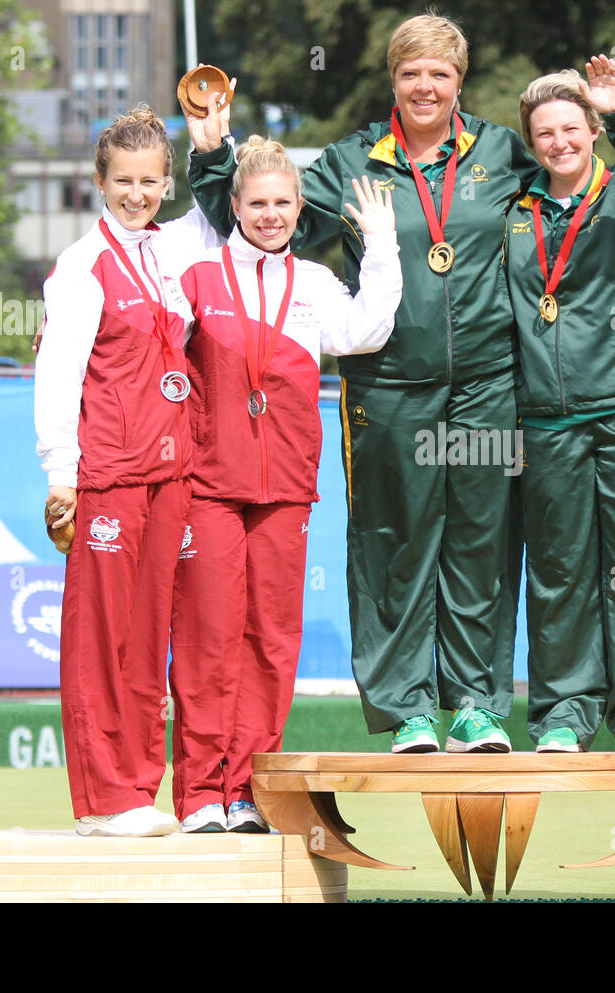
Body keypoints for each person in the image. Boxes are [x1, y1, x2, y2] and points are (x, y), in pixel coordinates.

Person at [188, 15, 537, 753]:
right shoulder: (351, 163)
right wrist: (215, 152)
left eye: (439, 73)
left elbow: (577, 208)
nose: (425, 86)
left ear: (460, 82)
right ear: (392, 79)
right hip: (387, 388)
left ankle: (475, 703)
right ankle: (406, 705)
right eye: (411, 72)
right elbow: (254, 221)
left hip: (484, 383)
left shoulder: (502, 152)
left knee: (480, 542)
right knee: (395, 545)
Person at [169, 129, 401, 833]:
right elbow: (152, 343)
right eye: (258, 201)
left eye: (283, 203)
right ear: (234, 204)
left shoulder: (315, 284)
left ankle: (248, 788)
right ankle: (202, 793)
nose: (271, 214)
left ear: (301, 210)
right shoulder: (199, 277)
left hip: (286, 486)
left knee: (271, 640)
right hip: (210, 483)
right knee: (210, 636)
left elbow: (366, 332)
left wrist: (384, 246)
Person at [35, 106, 219, 837]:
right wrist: (61, 472)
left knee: (148, 637)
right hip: (108, 472)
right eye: (123, 182)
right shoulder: (82, 267)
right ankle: (102, 798)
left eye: (149, 181)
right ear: (99, 182)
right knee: (100, 638)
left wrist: (213, 143)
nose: (136, 194)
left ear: (165, 183)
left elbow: (220, 214)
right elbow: (57, 373)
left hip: (171, 476)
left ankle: (139, 787)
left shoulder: (171, 252)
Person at [504, 57, 615, 752]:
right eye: (545, 131)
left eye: (572, 127)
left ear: (591, 130)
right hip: (546, 417)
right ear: (532, 139)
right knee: (558, 571)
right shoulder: (514, 209)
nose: (559, 141)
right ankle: (563, 711)